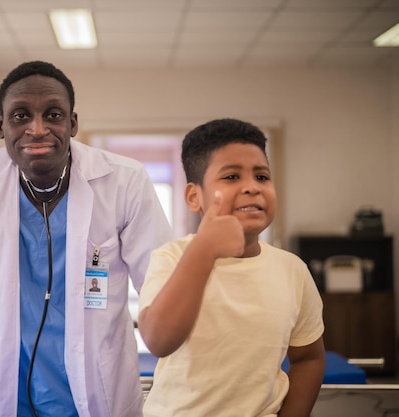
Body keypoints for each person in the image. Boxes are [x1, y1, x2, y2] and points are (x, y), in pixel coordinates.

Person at [0, 60, 173, 417]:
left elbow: (164, 287)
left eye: (54, 114)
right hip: (16, 393)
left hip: (101, 392)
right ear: (1, 126)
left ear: (72, 123)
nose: (38, 129)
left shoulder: (123, 181)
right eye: (21, 116)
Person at [138, 118, 325, 417]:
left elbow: (309, 358)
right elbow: (159, 340)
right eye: (232, 177)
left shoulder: (293, 270)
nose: (252, 187)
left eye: (262, 177)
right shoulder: (171, 257)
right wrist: (206, 248)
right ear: (194, 196)